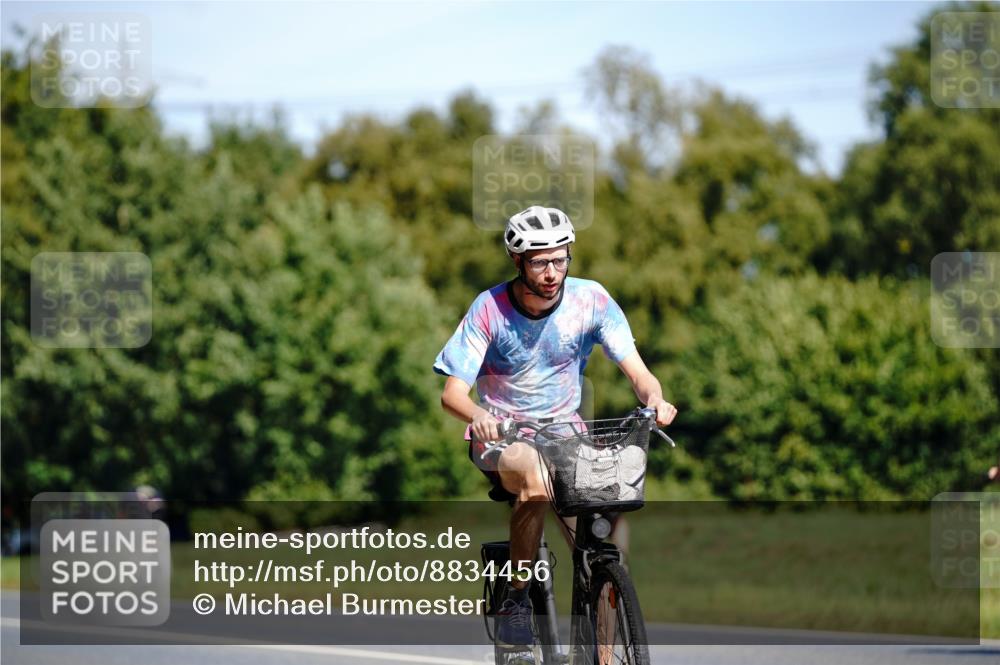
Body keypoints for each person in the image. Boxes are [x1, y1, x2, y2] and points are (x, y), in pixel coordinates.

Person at [433, 205, 677, 648]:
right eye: (540, 262)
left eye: (560, 259)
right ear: (517, 261)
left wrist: (655, 399)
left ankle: (603, 631)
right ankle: (516, 598)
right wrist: (480, 416)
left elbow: (640, 374)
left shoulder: (591, 300)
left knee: (603, 526)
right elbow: (452, 395)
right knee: (534, 477)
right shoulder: (489, 309)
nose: (551, 272)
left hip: (566, 435)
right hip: (502, 437)